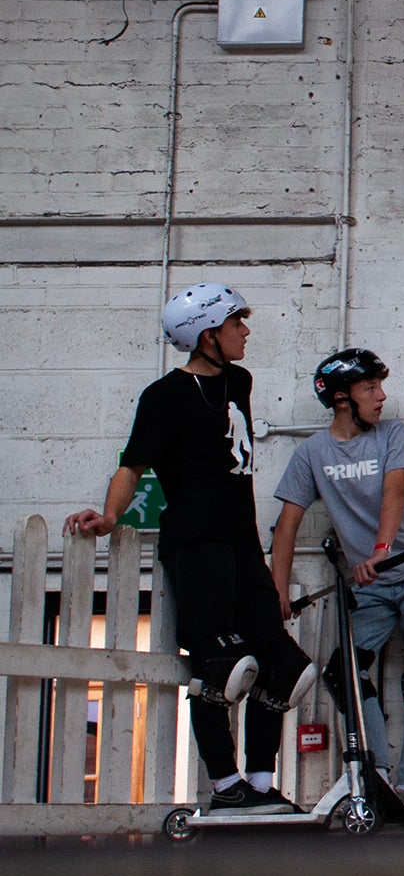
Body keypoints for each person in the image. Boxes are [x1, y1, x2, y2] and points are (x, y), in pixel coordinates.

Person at [64, 283, 315, 814]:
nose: (245, 332)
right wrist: (110, 517)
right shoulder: (164, 396)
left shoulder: (238, 381)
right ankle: (227, 787)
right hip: (196, 542)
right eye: (235, 324)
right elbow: (132, 464)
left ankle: (263, 786)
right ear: (207, 335)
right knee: (221, 668)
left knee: (285, 667)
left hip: (241, 543)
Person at [270, 348, 404, 803]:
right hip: (371, 583)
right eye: (370, 387)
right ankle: (379, 774)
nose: (381, 396)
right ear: (340, 399)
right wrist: (277, 592)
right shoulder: (313, 453)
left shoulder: (391, 434)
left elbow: (394, 492)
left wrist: (379, 550)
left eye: (379, 386)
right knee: (343, 671)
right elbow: (287, 526)